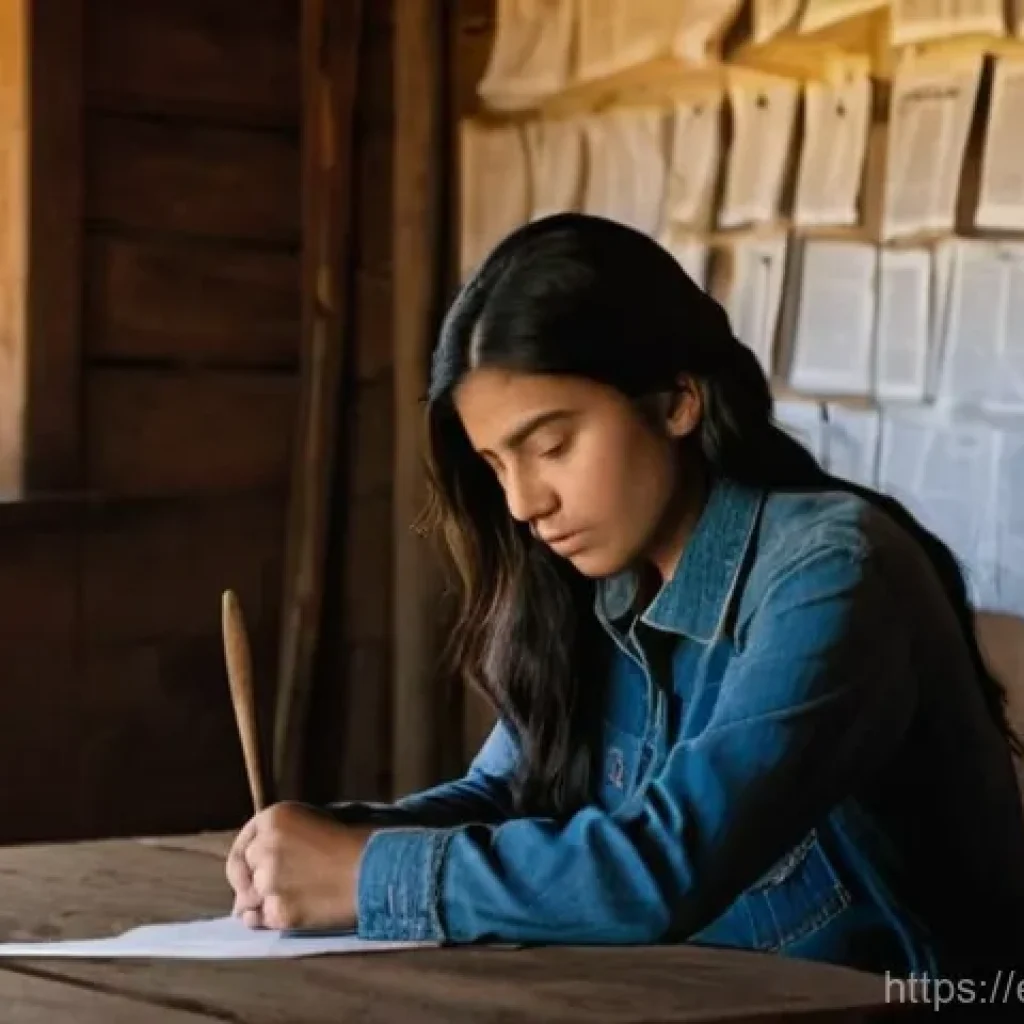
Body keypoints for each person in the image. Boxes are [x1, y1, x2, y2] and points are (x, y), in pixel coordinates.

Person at [226, 212, 1024, 981]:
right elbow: (509, 794)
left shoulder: (832, 573)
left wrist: (364, 874)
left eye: (551, 445)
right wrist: (333, 840)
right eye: (498, 465)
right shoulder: (599, 579)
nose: (522, 503)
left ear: (678, 399)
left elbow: (666, 865)